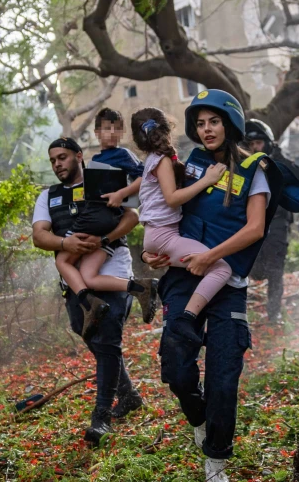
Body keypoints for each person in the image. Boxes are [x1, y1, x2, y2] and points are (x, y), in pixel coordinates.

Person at [143, 90, 284, 482]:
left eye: (214, 121)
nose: (207, 130)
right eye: (200, 123)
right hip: (183, 277)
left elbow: (255, 228)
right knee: (176, 365)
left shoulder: (255, 170)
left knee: (223, 375)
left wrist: (211, 256)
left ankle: (216, 461)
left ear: (230, 124)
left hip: (228, 282)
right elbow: (162, 212)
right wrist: (150, 255)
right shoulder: (190, 165)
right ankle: (198, 418)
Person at [31, 137, 146, 445]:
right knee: (86, 332)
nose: (57, 163)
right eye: (53, 159)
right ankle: (129, 395)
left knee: (107, 339)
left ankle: (102, 418)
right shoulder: (48, 196)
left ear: (79, 157)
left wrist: (104, 240)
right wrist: (64, 243)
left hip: (110, 266)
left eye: (63, 157)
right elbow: (39, 236)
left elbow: (133, 216)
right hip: (75, 279)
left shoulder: (103, 180)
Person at [53, 110, 157, 335]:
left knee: (62, 261)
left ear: (121, 132)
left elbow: (146, 175)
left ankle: (88, 304)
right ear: (97, 132)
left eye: (115, 128)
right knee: (89, 277)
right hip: (104, 223)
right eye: (106, 128)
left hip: (101, 216)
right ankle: (140, 287)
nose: (111, 133)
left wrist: (122, 193)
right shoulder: (95, 161)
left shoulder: (123, 154)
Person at [130, 107, 232, 325]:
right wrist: (208, 179)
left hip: (158, 236)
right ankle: (189, 316)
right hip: (163, 236)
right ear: (168, 129)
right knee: (221, 268)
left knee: (203, 268)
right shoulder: (161, 160)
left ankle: (188, 314)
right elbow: (172, 198)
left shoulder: (156, 160)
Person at [245, 119, 299, 322]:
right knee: (253, 267)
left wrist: (276, 157)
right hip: (252, 221)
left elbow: (297, 174)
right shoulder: (246, 163)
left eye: (258, 143)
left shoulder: (278, 159)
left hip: (278, 221)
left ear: (267, 143)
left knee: (275, 268)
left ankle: (273, 313)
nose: (255, 148)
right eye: (251, 144)